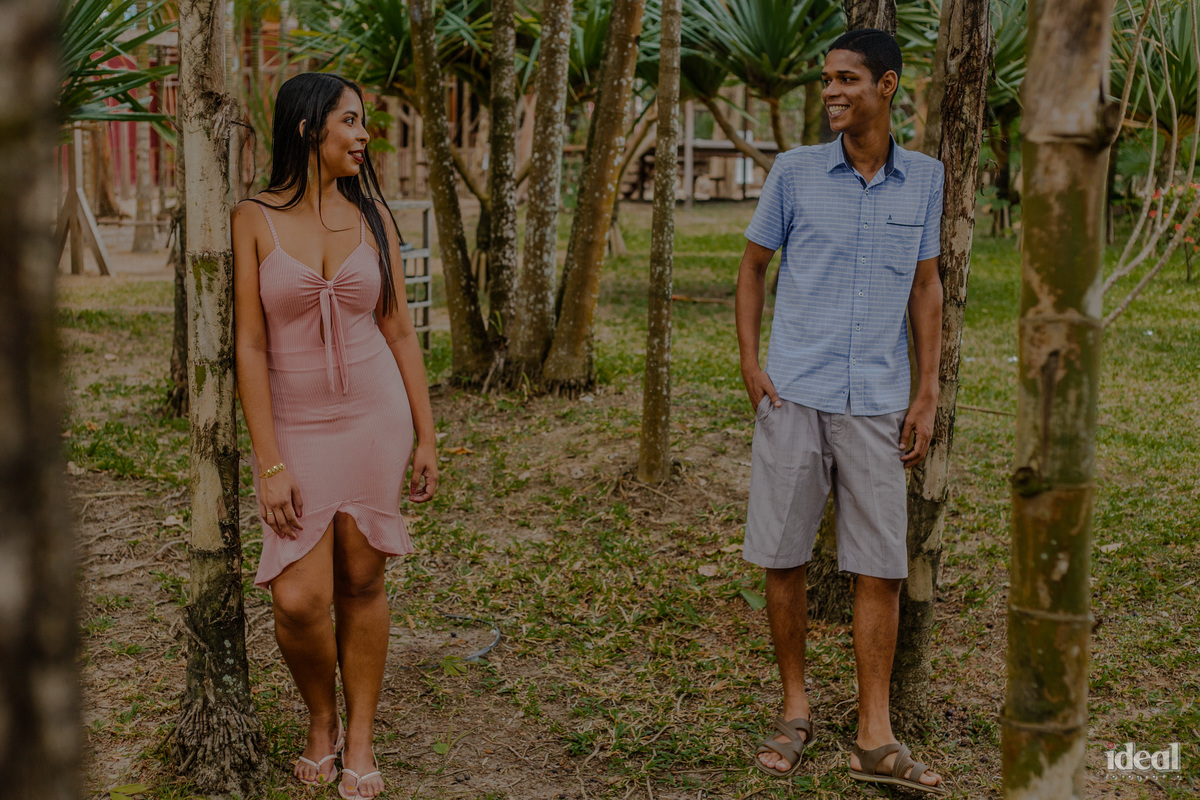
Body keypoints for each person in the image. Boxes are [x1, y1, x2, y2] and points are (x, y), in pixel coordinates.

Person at [736, 30, 948, 795]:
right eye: (826, 79)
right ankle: (794, 709)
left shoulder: (925, 178)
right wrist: (752, 364)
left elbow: (926, 288)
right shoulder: (793, 173)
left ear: (887, 87)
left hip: (879, 402)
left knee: (880, 567)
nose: (831, 91)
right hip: (794, 393)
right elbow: (753, 269)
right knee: (783, 556)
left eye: (847, 79)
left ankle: (874, 735)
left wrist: (926, 392)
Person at [232, 72, 438, 800]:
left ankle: (357, 737)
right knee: (296, 598)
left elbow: (401, 332)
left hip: (374, 417)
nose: (363, 135)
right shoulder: (252, 218)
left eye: (364, 123)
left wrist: (427, 436)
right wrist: (270, 462)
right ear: (307, 126)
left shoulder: (375, 214)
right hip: (296, 426)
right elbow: (249, 349)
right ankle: (321, 716)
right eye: (350, 121)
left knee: (363, 576)